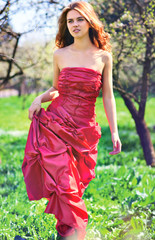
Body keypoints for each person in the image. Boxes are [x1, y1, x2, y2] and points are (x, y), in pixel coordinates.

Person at [20, 1, 122, 240]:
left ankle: (65, 235)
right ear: (66, 26)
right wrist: (38, 99)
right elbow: (56, 89)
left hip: (84, 132)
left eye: (79, 19)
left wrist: (115, 132)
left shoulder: (104, 57)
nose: (75, 25)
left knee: (74, 189)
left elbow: (108, 96)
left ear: (89, 22)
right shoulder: (60, 54)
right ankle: (76, 235)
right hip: (56, 127)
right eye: (70, 21)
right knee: (66, 187)